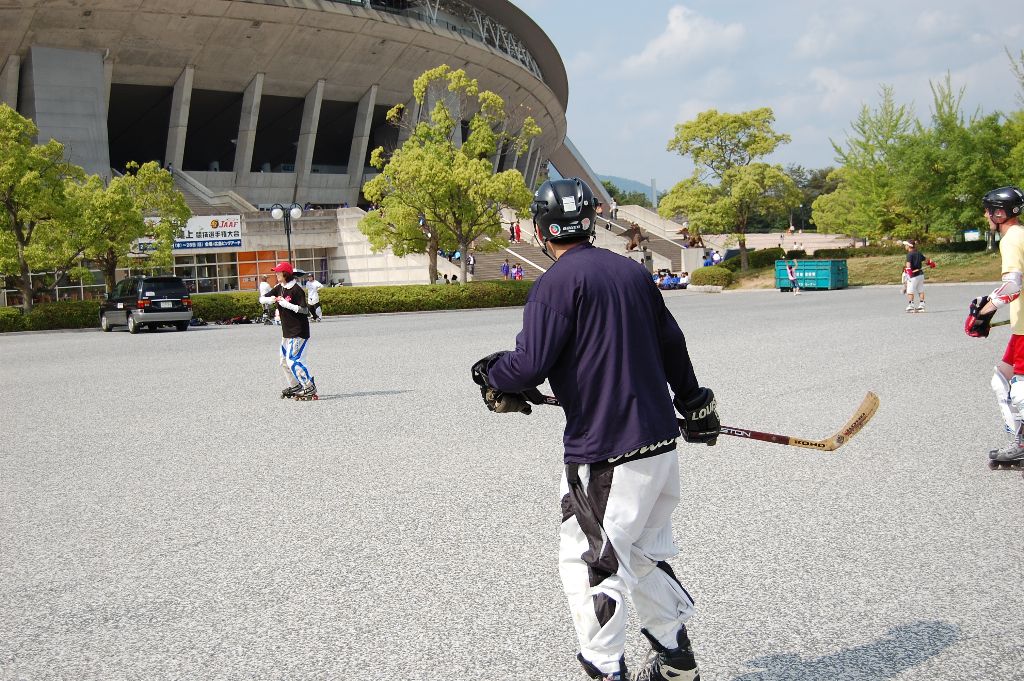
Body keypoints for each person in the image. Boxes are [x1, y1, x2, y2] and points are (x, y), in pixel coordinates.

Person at [470, 177, 719, 681]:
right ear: (588, 222)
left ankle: (606, 669)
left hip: (606, 453)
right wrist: (694, 404)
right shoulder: (631, 273)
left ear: (541, 230)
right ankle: (676, 659)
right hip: (657, 444)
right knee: (643, 555)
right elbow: (672, 344)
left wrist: (489, 372)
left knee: (590, 565)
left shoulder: (555, 284)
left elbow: (527, 366)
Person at [965, 186, 1024, 469]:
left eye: (988, 210)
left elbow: (1013, 285)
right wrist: (987, 300)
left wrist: (985, 313)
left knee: (1020, 391)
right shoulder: (1021, 234)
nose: (985, 214)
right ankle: (1021, 442)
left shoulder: (1011, 239)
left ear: (999, 213)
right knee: (1001, 379)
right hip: (1020, 328)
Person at [258, 262, 316, 400]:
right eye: (276, 272)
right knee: (283, 360)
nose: (276, 274)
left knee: (293, 360)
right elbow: (261, 298)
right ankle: (296, 385)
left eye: (279, 272)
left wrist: (288, 305)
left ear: (286, 274)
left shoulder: (296, 289)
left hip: (298, 331)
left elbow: (305, 310)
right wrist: (270, 299)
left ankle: (309, 386)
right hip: (287, 332)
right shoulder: (279, 287)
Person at [904, 240, 935, 312]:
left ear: (909, 246)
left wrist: (909, 271)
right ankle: (922, 305)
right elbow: (927, 260)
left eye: (906, 245)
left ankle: (911, 306)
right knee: (920, 290)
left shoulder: (909, 254)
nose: (905, 246)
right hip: (920, 275)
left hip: (913, 276)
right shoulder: (918, 253)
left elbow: (908, 265)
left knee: (910, 291)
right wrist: (931, 263)